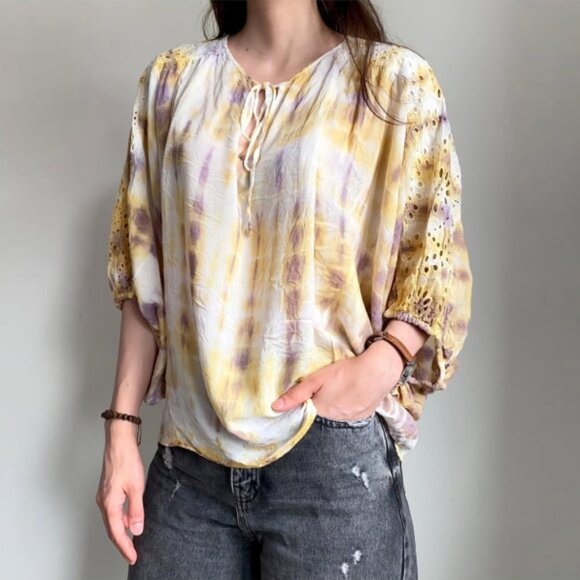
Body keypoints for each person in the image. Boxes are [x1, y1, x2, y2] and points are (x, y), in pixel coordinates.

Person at [95, 1, 473, 578]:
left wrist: (381, 364)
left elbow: (432, 256)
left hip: (328, 454)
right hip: (190, 462)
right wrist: (121, 429)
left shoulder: (394, 82)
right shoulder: (171, 83)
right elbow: (145, 272)